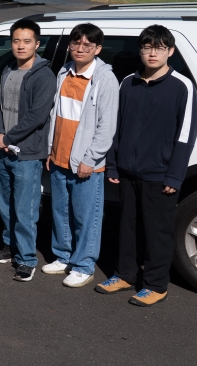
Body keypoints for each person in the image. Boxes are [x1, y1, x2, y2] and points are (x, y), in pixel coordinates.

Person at [97, 25, 197, 307]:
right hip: (127, 171)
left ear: (171, 51)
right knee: (126, 228)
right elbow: (118, 127)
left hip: (160, 174)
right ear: (140, 50)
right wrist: (113, 165)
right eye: (147, 47)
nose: (152, 53)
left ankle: (156, 285)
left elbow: (186, 134)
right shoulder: (127, 82)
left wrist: (175, 175)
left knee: (157, 232)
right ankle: (125, 274)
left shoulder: (182, 86)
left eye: (160, 47)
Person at [43, 24, 119, 288]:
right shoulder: (64, 70)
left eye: (88, 45)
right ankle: (63, 256)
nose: (80, 48)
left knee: (86, 216)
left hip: (86, 162)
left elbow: (106, 126)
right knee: (60, 211)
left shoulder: (105, 79)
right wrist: (51, 149)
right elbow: (56, 114)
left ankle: (84, 265)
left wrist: (91, 158)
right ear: (70, 45)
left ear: (98, 49)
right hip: (59, 156)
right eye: (76, 43)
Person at [0, 19, 57, 282]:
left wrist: (9, 137)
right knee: (5, 205)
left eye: (27, 41)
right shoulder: (7, 70)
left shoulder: (43, 75)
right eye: (16, 40)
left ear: (37, 44)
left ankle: (27, 259)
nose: (21, 45)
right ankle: (9, 247)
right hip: (6, 151)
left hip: (27, 153)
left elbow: (37, 116)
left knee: (25, 208)